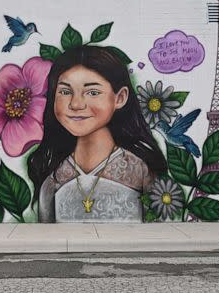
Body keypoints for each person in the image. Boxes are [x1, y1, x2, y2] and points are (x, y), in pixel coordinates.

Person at [28, 45, 167, 223]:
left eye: (92, 92)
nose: (76, 104)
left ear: (120, 98)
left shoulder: (140, 170)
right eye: (64, 91)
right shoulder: (54, 177)